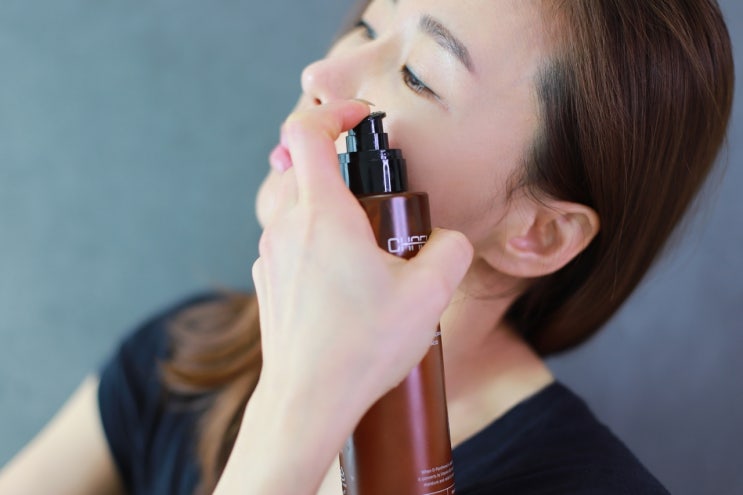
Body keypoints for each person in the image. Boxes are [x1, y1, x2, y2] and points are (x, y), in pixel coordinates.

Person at [0, 0, 734, 494]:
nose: (321, 76)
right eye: (364, 26)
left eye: (417, 74)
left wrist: (293, 423)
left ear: (537, 233)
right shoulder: (181, 357)